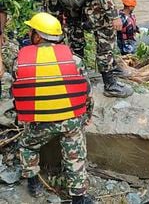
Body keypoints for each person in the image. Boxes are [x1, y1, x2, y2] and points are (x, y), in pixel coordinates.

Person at [11, 13, 93, 204]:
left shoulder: (20, 62)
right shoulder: (75, 60)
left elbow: (18, 94)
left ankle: (34, 183)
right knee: (76, 153)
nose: (29, 32)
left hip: (40, 121)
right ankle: (78, 198)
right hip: (70, 120)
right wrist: (87, 115)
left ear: (37, 36)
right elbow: (86, 93)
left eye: (31, 30)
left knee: (26, 145)